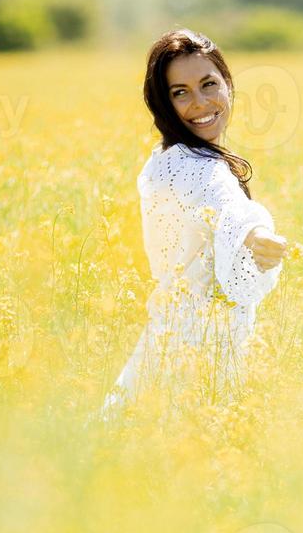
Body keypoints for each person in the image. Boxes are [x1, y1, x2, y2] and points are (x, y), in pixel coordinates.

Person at [98, 28, 289, 422]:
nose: (199, 103)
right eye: (180, 92)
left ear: (228, 85)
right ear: (163, 103)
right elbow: (224, 204)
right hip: (193, 357)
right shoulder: (193, 166)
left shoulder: (167, 159)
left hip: (172, 342)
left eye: (208, 84)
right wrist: (254, 235)